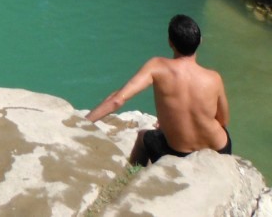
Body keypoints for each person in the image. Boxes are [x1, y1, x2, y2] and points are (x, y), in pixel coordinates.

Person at [85, 14, 231, 166]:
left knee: (143, 137)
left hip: (179, 153)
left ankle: (134, 178)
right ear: (200, 41)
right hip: (219, 148)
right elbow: (223, 121)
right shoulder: (214, 78)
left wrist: (82, 122)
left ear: (170, 43)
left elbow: (117, 100)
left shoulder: (157, 67)